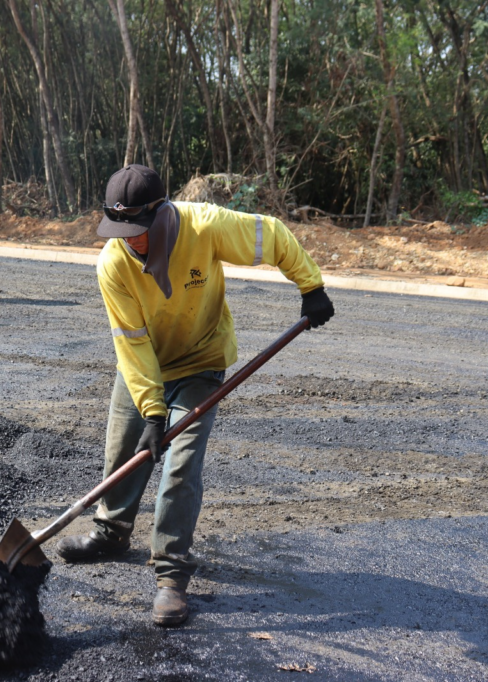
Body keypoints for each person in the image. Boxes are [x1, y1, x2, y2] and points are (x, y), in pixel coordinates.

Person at [55, 164, 334, 626]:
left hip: (202, 361)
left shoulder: (205, 226)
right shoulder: (113, 264)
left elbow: (275, 236)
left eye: (138, 229)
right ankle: (112, 531)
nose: (130, 239)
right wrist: (151, 413)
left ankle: (171, 574)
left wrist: (311, 286)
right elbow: (132, 342)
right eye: (120, 230)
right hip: (144, 366)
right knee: (124, 449)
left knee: (181, 464)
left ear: (161, 212)